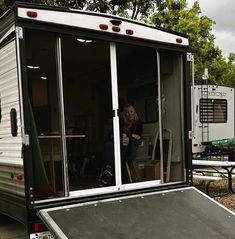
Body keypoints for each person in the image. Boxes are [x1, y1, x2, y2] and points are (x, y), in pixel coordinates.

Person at [100, 103, 142, 185]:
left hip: (127, 148)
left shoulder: (138, 123)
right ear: (124, 114)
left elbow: (138, 137)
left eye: (131, 111)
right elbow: (112, 134)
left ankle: (108, 171)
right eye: (127, 112)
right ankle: (108, 170)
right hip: (116, 145)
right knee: (108, 145)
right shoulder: (120, 122)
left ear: (134, 112)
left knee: (109, 149)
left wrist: (127, 136)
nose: (129, 114)